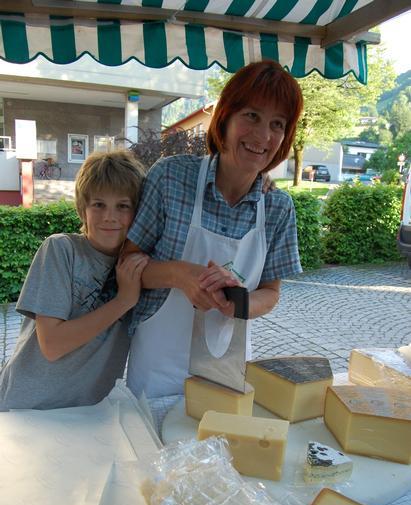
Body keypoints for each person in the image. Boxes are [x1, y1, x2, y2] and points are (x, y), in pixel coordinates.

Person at [124, 60, 304, 398]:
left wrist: (238, 303)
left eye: (277, 124)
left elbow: (271, 293)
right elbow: (128, 264)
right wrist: (180, 274)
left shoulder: (278, 208)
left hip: (227, 368)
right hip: (157, 367)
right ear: (226, 117)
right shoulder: (171, 177)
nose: (263, 136)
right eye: (252, 116)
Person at [0, 150, 148, 411]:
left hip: (86, 412)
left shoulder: (140, 266)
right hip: (26, 407)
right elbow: (52, 345)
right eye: (98, 204)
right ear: (82, 209)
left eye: (123, 206)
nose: (109, 216)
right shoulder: (61, 250)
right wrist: (123, 301)